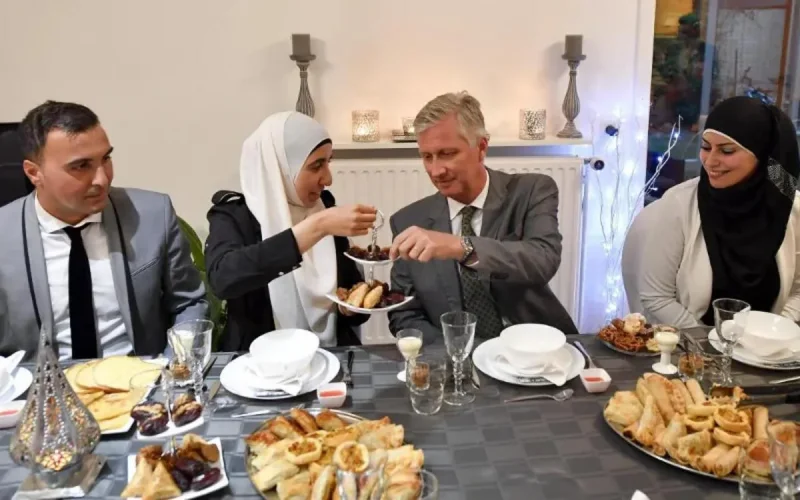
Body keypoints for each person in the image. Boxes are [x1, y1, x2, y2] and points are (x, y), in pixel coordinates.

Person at [0, 101, 208, 360]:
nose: (102, 179)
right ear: (34, 173)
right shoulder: (4, 233)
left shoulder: (153, 215)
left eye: (105, 159)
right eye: (81, 166)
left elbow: (189, 303)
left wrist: (175, 366)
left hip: (140, 378)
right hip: (40, 382)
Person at [388, 91, 578, 344]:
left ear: (481, 147)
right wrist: (457, 351)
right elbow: (404, 314)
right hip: (456, 355)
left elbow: (543, 259)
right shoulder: (409, 222)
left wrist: (461, 247)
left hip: (534, 349)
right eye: (427, 157)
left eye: (447, 153)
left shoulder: (531, 191)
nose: (436, 170)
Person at [624, 96, 800, 328]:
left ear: (763, 156)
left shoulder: (790, 208)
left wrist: (773, 331)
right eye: (706, 147)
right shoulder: (677, 206)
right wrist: (714, 342)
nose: (710, 161)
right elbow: (656, 297)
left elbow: (798, 290)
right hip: (692, 344)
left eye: (726, 151)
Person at [205, 111, 376, 350]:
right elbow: (223, 280)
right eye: (316, 165)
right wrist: (316, 228)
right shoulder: (234, 215)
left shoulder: (324, 206)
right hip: (258, 356)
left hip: (328, 352)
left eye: (328, 162)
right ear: (279, 168)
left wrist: (350, 307)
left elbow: (351, 297)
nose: (328, 179)